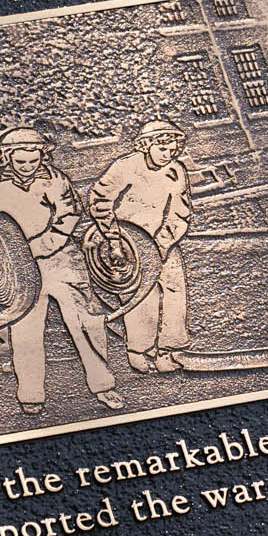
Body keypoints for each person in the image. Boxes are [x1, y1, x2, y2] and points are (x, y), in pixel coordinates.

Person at [0, 129, 121, 415]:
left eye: (34, 160)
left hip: (62, 259)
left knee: (87, 321)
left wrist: (45, 244)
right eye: (21, 162)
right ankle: (30, 395)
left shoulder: (55, 179)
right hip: (18, 267)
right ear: (7, 158)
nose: (28, 167)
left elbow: (70, 214)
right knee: (25, 329)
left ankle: (104, 386)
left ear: (42, 156)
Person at [89, 119, 193, 373]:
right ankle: (138, 350)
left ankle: (167, 351)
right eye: (162, 149)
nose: (168, 155)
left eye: (172, 150)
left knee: (174, 292)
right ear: (146, 145)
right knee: (139, 296)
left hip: (163, 242)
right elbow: (100, 200)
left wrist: (165, 241)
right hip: (129, 244)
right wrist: (114, 238)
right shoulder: (125, 167)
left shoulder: (176, 171)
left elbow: (181, 211)